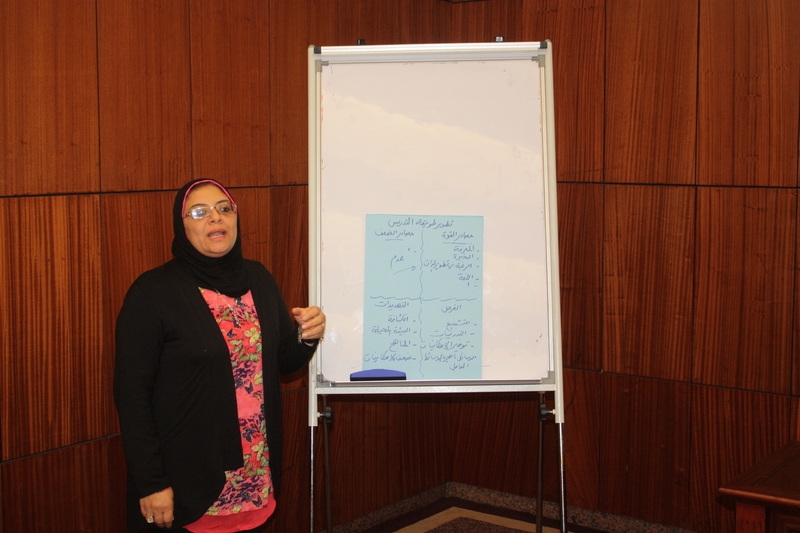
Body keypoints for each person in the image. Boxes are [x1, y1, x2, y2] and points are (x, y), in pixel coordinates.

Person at [114, 179, 325, 532]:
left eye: (224, 208)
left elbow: (281, 363)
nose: (216, 217)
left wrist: (306, 336)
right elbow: (132, 397)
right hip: (188, 481)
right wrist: (152, 483)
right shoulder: (152, 293)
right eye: (200, 212)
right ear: (182, 226)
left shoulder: (258, 277)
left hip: (254, 474)